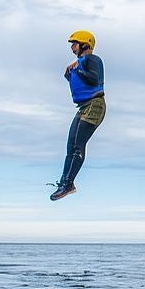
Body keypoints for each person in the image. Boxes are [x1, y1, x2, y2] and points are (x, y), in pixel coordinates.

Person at [50, 30, 106, 201]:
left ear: (85, 45)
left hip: (94, 105)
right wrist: (71, 74)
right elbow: (81, 83)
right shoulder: (81, 61)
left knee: (77, 146)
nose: (72, 47)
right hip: (83, 106)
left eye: (75, 43)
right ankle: (66, 183)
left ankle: (67, 183)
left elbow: (93, 79)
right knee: (70, 147)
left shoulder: (92, 59)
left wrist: (77, 68)